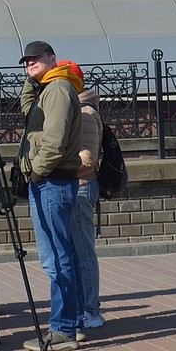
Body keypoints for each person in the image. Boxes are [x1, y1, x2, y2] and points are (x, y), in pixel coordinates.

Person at [19, 41, 85, 351]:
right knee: (64, 255)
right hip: (53, 181)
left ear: (52, 58)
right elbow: (31, 116)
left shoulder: (57, 89)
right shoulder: (48, 89)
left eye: (36, 58)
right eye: (27, 60)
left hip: (52, 181)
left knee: (57, 259)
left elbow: (54, 141)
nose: (30, 63)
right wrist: (31, 82)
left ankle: (63, 330)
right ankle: (73, 323)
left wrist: (36, 173)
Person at [74, 82, 105, 331]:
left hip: (81, 186)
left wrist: (51, 164)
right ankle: (84, 307)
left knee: (83, 251)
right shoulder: (78, 109)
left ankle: (90, 310)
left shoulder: (84, 113)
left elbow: (86, 159)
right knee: (76, 251)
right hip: (77, 185)